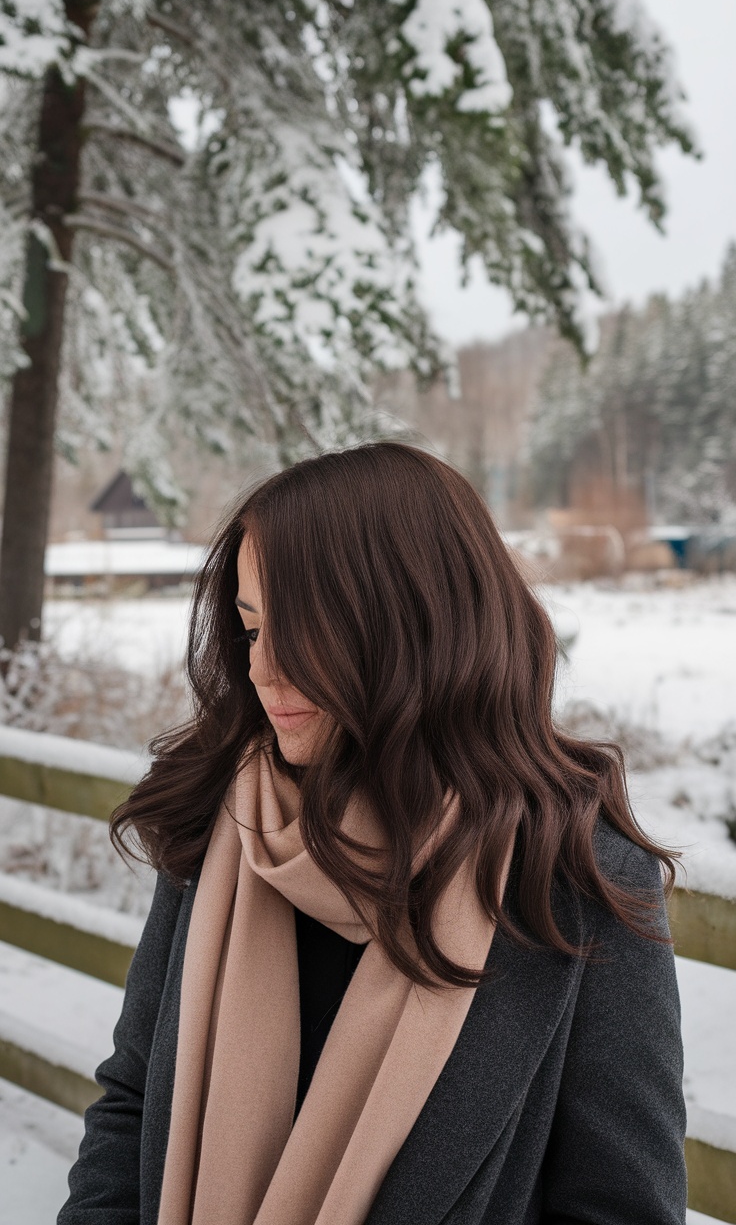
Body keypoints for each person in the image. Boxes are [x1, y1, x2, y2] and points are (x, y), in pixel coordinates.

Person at [58, 442, 687, 1225]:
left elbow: (619, 1207)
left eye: (305, 629)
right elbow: (136, 1099)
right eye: (253, 630)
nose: (262, 670)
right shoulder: (231, 827)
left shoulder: (576, 877)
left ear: (413, 623)